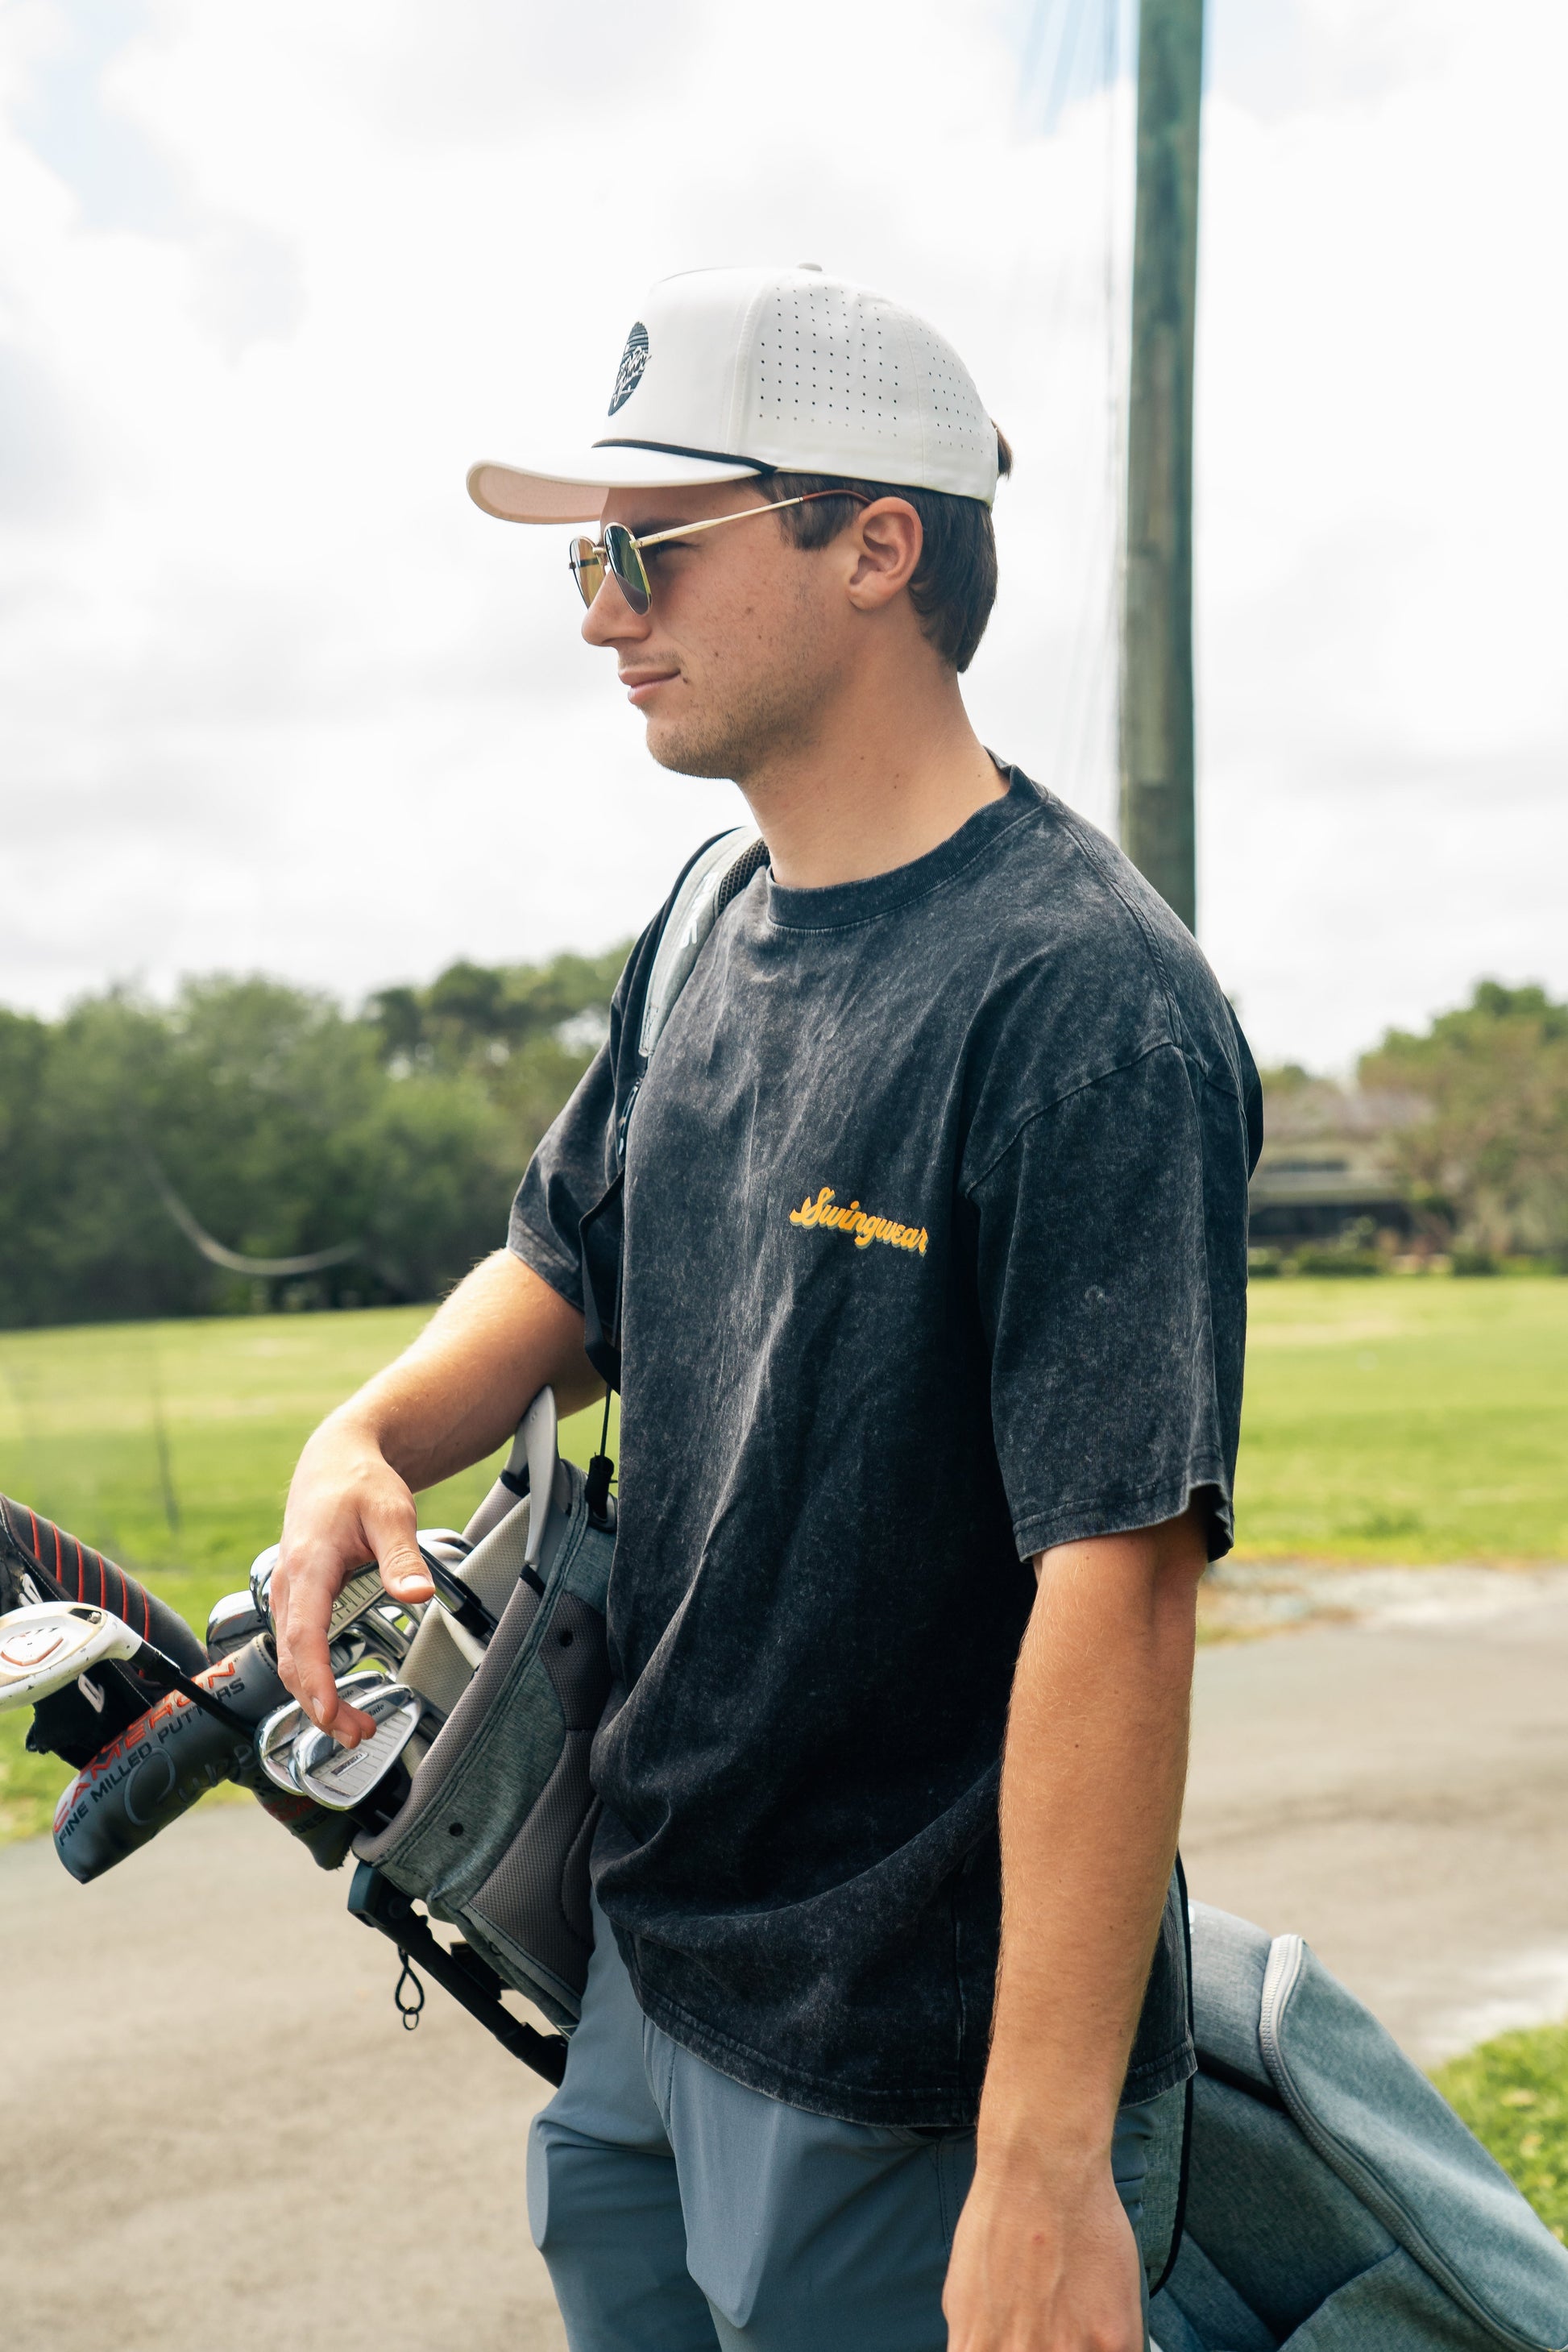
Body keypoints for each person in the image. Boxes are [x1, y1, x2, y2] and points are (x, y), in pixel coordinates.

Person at [271, 264, 1261, 2352]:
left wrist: (1039, 2156)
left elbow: (1124, 1582)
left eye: (647, 549)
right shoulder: (709, 917)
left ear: (872, 548)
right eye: (583, 565)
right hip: (650, 1960)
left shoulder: (1081, 1005)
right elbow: (569, 1255)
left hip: (911, 2058)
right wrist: (368, 1434)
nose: (599, 610)